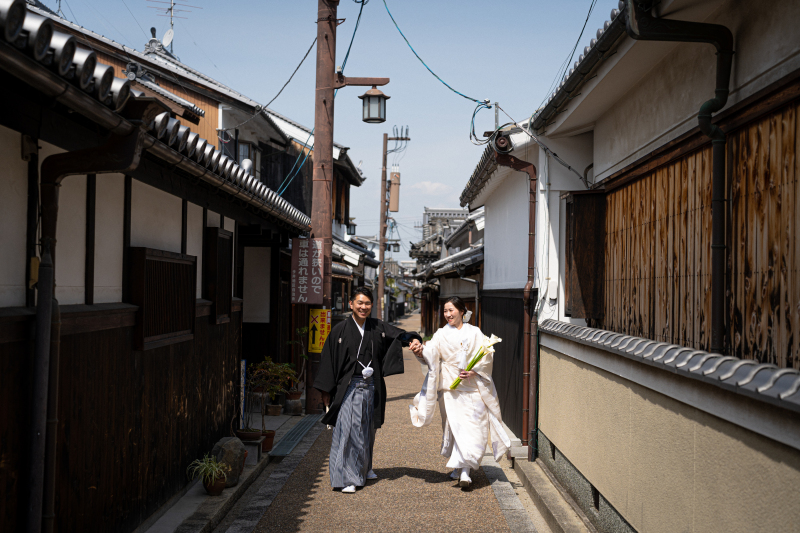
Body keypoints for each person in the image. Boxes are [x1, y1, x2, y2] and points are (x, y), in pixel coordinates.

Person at [313, 286, 421, 493]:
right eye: (359, 303)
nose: (363, 307)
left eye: (367, 303)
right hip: (349, 387)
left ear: (372, 306)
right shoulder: (339, 330)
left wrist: (413, 339)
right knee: (350, 431)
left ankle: (365, 467)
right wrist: (326, 392)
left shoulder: (377, 327)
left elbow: (399, 336)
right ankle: (349, 478)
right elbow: (328, 361)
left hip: (372, 385)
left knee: (368, 429)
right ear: (351, 304)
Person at [409, 296, 510, 488]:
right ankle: (462, 468)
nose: (447, 314)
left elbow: (486, 357)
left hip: (473, 388)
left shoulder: (475, 332)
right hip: (451, 389)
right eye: (445, 311)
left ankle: (464, 470)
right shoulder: (440, 334)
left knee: (474, 428)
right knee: (456, 428)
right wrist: (421, 351)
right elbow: (431, 352)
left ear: (462, 311)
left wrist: (475, 370)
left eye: (451, 310)